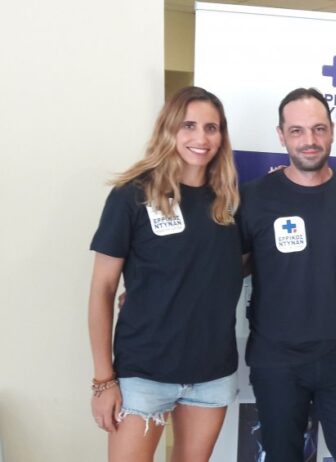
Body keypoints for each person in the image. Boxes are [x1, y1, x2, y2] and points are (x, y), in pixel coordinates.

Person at [88, 86, 242, 462]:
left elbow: (226, 266)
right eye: (189, 126)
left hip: (211, 374)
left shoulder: (230, 202)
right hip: (143, 373)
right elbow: (103, 289)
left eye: (211, 128)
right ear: (168, 129)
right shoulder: (132, 196)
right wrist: (103, 380)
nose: (201, 138)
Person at [237, 88, 336, 462]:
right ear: (281, 135)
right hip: (276, 360)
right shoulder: (253, 197)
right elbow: (227, 269)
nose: (310, 140)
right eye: (297, 131)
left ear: (332, 131)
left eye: (319, 129)